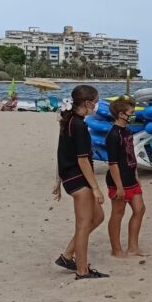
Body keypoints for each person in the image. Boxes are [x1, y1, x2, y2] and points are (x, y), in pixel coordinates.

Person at [53, 85, 108, 280]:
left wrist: (58, 180)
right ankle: (82, 270)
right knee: (83, 226)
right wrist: (95, 188)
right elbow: (82, 159)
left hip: (70, 176)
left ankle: (68, 255)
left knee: (98, 217)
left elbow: (61, 152)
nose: (97, 104)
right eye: (96, 100)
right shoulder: (78, 125)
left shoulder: (70, 122)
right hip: (78, 179)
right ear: (87, 103)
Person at [105, 97, 147, 256]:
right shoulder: (113, 135)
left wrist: (136, 174)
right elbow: (113, 163)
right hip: (118, 180)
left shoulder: (127, 131)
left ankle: (133, 246)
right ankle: (116, 249)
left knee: (140, 209)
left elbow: (130, 153)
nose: (133, 115)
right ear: (121, 114)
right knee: (118, 213)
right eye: (131, 113)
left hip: (130, 176)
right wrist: (120, 187)